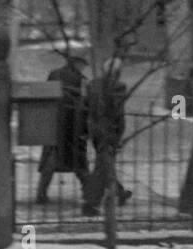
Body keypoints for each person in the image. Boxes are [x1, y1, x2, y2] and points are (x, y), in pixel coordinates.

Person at [36, 52, 90, 204]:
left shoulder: (54, 74)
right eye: (82, 64)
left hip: (55, 124)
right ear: (75, 63)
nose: (83, 67)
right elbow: (85, 105)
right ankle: (89, 194)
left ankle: (41, 194)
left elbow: (45, 96)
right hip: (74, 125)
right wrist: (86, 128)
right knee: (79, 162)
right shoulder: (81, 80)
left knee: (51, 160)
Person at [81, 56, 132, 215]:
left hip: (95, 130)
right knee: (103, 167)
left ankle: (119, 192)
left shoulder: (92, 85)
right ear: (117, 73)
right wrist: (118, 133)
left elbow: (85, 106)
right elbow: (117, 113)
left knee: (104, 163)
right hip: (110, 130)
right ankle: (90, 203)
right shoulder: (119, 87)